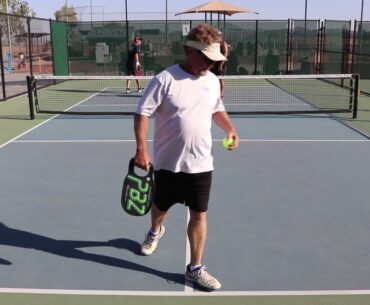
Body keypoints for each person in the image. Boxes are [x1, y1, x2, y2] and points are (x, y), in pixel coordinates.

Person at [133, 23, 239, 291]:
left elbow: (217, 109)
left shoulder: (212, 81)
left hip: (201, 163)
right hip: (168, 163)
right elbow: (142, 112)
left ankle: (195, 268)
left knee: (199, 214)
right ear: (191, 51)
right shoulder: (165, 79)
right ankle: (155, 232)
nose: (212, 64)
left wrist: (230, 129)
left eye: (215, 60)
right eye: (208, 58)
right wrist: (141, 149)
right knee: (160, 208)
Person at [210, 33, 228, 99]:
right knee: (213, 78)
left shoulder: (224, 43)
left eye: (218, 35)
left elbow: (225, 54)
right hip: (215, 63)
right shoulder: (215, 43)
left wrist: (221, 64)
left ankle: (221, 93)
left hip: (221, 64)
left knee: (221, 79)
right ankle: (214, 92)